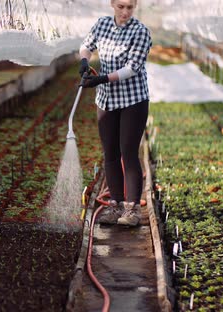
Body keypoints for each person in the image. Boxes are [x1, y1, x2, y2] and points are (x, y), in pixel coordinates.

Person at [79, 0, 152, 226]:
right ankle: (115, 205)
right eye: (121, 6)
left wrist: (102, 78)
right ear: (112, 4)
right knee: (109, 153)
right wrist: (84, 61)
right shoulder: (101, 24)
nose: (125, 12)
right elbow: (87, 45)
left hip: (133, 100)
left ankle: (132, 211)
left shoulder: (140, 32)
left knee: (128, 152)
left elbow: (132, 68)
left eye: (130, 7)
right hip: (106, 100)